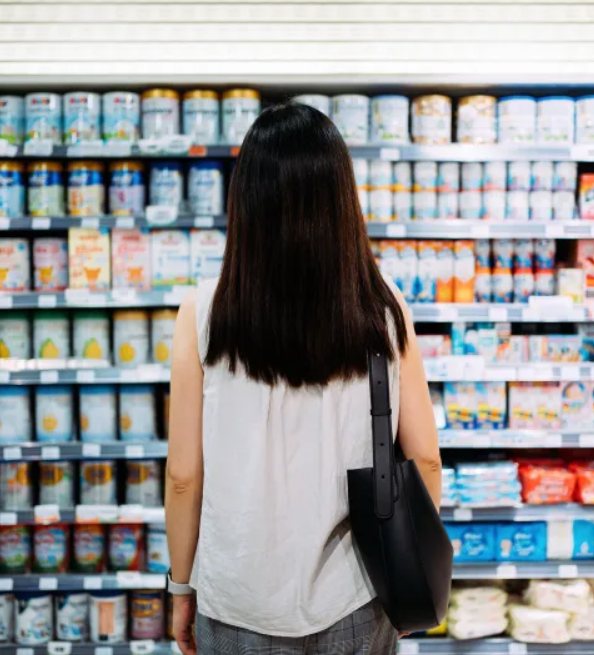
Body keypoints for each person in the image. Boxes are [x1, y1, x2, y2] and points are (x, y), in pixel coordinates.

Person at [165, 102, 442, 655]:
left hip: (238, 599)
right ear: (343, 199)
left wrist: (180, 589)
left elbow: (183, 477)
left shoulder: (201, 314)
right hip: (356, 593)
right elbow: (426, 458)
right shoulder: (383, 312)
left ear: (245, 200)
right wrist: (409, 573)